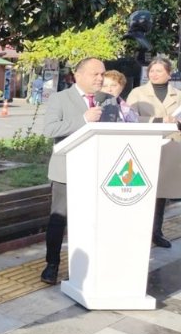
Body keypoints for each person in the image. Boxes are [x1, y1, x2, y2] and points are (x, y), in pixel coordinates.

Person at [40, 58, 120, 285]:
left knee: (90, 221)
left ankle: (86, 267)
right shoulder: (60, 98)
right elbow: (50, 129)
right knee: (59, 220)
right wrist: (84, 119)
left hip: (98, 172)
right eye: (95, 74)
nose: (100, 78)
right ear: (78, 75)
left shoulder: (109, 101)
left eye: (102, 74)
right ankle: (52, 264)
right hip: (66, 169)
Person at [126, 57, 181, 248]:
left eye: (159, 71)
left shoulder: (178, 95)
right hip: (145, 147)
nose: (154, 74)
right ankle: (136, 232)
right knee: (141, 190)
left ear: (169, 73)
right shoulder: (138, 93)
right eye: (152, 71)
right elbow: (129, 119)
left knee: (161, 193)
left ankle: (156, 232)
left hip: (171, 147)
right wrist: (158, 121)